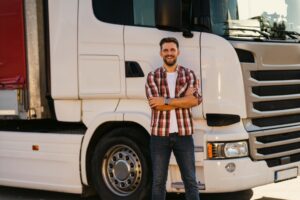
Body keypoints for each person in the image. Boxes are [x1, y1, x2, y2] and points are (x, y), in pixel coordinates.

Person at [145, 37, 202, 200]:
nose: (169, 53)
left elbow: (195, 100)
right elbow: (156, 105)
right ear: (160, 53)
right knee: (158, 182)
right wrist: (183, 100)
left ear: (178, 52)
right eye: (166, 50)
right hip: (159, 136)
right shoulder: (152, 76)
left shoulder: (189, 74)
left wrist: (167, 101)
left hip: (184, 136)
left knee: (190, 181)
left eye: (172, 50)